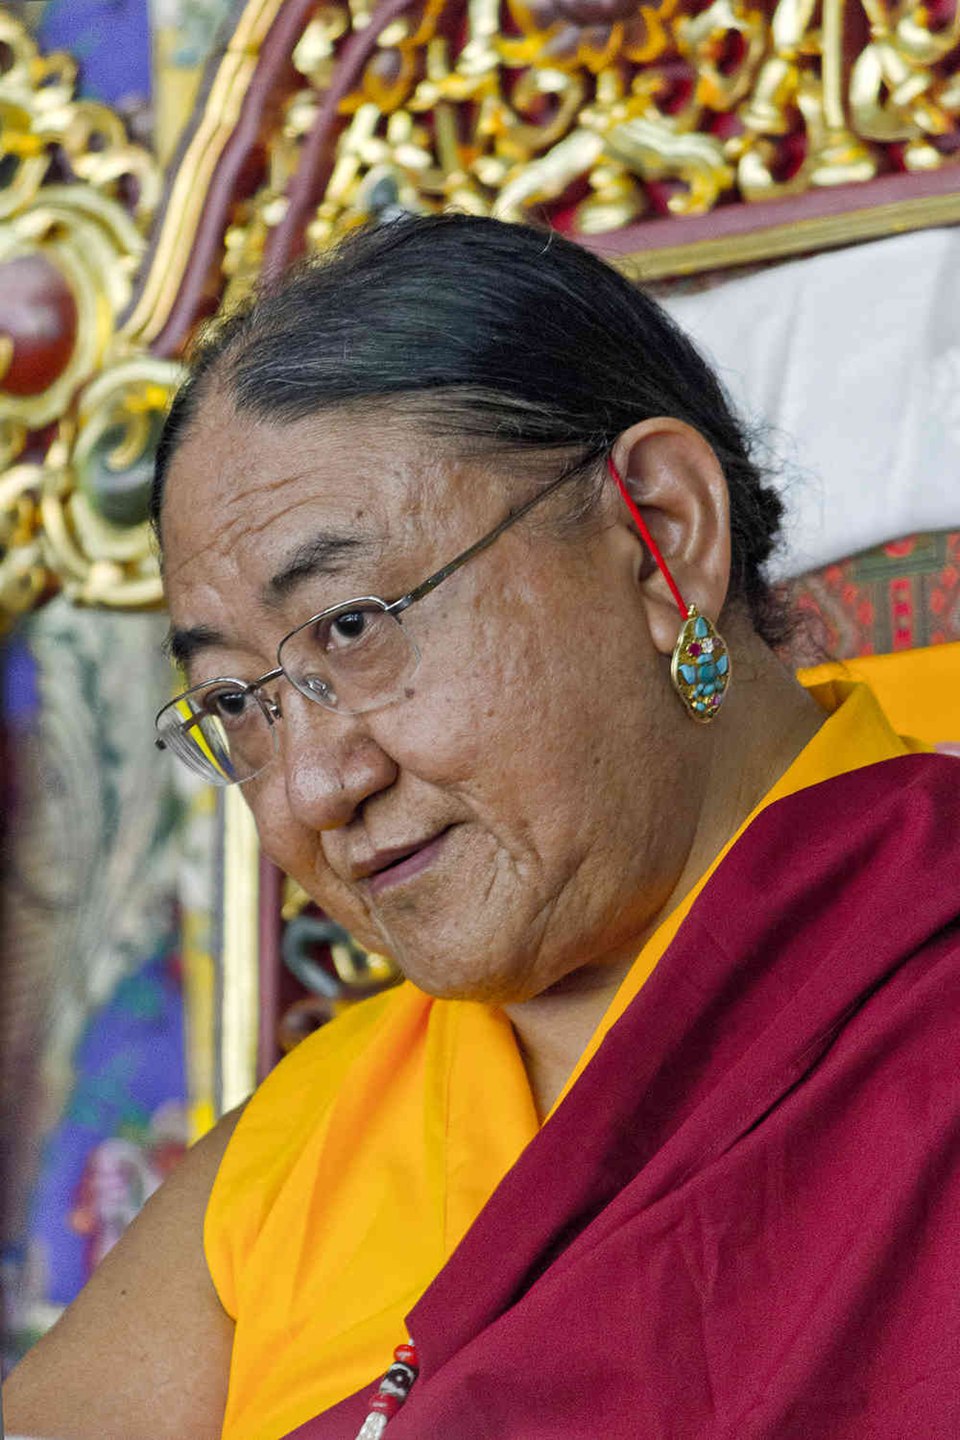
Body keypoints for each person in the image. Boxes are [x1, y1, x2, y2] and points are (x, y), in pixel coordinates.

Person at [5, 214, 960, 1440]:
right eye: (238, 702)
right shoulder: (303, 1151)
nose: (308, 790)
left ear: (661, 537)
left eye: (352, 628)